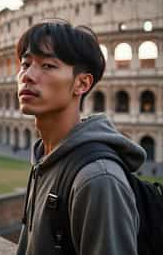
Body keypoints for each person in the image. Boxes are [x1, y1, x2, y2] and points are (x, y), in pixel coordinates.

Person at [16, 19, 146, 255]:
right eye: (25, 64)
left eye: (47, 66)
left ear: (82, 83)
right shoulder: (44, 158)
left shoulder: (97, 178)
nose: (27, 75)